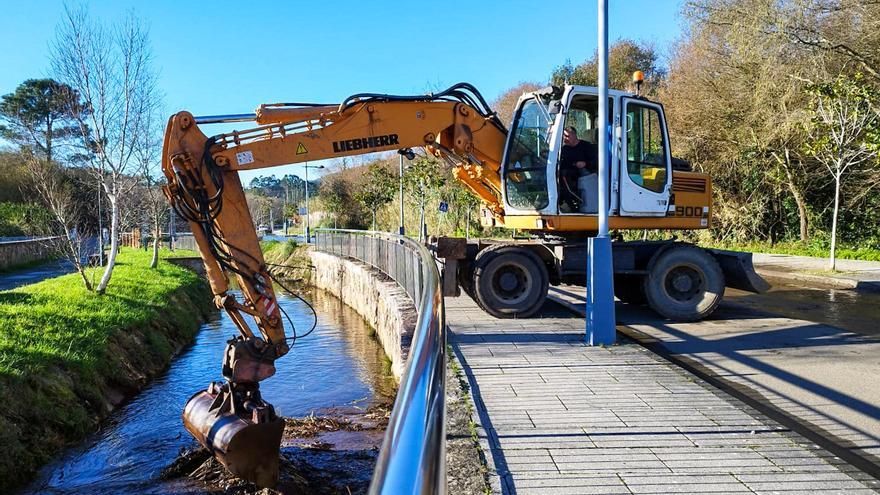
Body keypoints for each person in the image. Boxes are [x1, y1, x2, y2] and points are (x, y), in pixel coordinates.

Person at [558, 126, 597, 212]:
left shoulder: (587, 147)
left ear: (574, 135)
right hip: (565, 175)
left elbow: (597, 162)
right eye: (563, 137)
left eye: (567, 136)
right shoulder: (564, 149)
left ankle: (570, 206)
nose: (565, 139)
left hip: (584, 176)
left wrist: (585, 164)